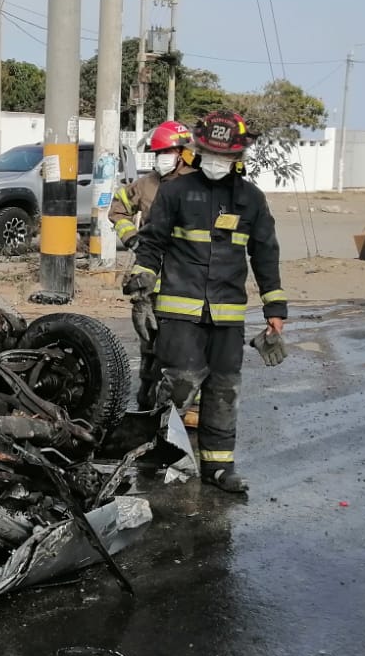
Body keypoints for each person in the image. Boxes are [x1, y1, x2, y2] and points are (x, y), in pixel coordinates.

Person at [127, 110, 287, 494]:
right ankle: (155, 456)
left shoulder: (250, 199)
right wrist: (141, 288)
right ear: (197, 151)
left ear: (238, 157)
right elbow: (152, 243)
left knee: (224, 390)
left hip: (228, 315)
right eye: (210, 152)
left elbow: (265, 255)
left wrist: (275, 310)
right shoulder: (176, 192)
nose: (217, 161)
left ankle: (218, 468)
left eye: (225, 155)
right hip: (180, 311)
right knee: (179, 384)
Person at [109, 121, 196, 409]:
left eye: (167, 151)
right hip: (149, 276)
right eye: (158, 152)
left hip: (188, 280)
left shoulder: (200, 186)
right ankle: (147, 401)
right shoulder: (145, 185)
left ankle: (186, 406)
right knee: (150, 344)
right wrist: (131, 237)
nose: (162, 157)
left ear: (182, 153)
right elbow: (118, 209)